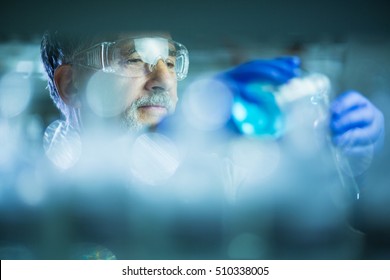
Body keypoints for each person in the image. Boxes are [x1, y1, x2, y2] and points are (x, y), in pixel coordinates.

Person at [38, 30, 385, 259]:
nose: (163, 80)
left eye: (171, 62)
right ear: (71, 85)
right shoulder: (27, 193)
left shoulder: (222, 178)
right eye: (134, 59)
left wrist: (351, 176)